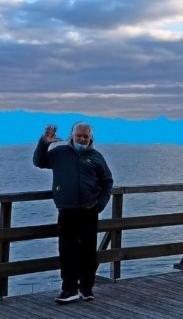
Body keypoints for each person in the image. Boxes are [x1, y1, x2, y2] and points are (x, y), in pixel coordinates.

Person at [33, 122, 114, 304]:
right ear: (72, 135)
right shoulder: (59, 153)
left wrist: (99, 205)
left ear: (90, 138)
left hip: (89, 211)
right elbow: (39, 161)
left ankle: (86, 289)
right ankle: (69, 289)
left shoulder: (96, 157)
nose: (82, 139)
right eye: (79, 136)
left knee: (88, 252)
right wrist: (44, 142)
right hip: (67, 210)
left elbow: (108, 182)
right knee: (67, 251)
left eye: (85, 136)